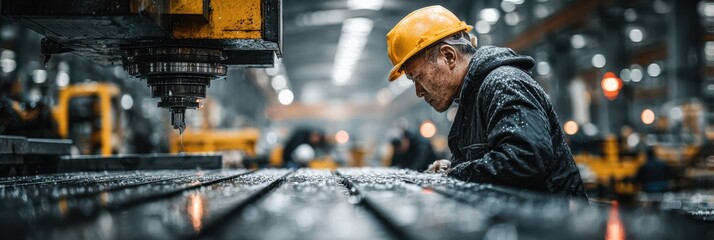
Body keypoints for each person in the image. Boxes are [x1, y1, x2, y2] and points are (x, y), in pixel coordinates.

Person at [385, 5, 587, 199]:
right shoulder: (471, 98)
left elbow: (525, 159)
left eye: (418, 77)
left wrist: (454, 176)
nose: (419, 91)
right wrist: (453, 167)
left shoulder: (504, 83)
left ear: (448, 56)